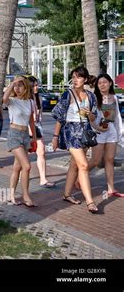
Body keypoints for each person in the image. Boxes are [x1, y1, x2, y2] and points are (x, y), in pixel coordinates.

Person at [51, 66, 99, 213]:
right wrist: (55, 137)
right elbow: (59, 117)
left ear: (85, 79)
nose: (75, 80)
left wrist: (89, 113)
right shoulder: (68, 94)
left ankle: (66, 194)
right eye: (73, 77)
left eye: (78, 77)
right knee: (84, 165)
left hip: (85, 132)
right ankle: (90, 202)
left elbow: (93, 117)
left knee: (74, 165)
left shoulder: (91, 96)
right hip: (71, 131)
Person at [71, 74, 123, 197]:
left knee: (109, 160)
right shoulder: (93, 98)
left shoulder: (114, 98)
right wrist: (97, 127)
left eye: (105, 82)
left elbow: (115, 118)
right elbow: (88, 117)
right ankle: (80, 175)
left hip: (111, 132)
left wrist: (119, 132)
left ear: (110, 83)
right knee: (95, 160)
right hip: (98, 132)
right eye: (100, 83)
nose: (102, 85)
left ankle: (111, 188)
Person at [3, 76, 37, 207]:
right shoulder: (12, 100)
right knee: (27, 166)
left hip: (25, 135)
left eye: (20, 85)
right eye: (15, 86)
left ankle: (11, 196)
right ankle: (26, 196)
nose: (17, 88)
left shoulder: (30, 102)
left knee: (17, 167)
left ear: (26, 87)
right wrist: (12, 83)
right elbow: (4, 99)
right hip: (14, 135)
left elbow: (31, 122)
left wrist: (34, 138)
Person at [28, 76, 55, 188]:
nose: (36, 87)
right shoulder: (25, 99)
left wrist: (39, 128)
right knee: (24, 156)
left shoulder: (38, 97)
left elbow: (40, 115)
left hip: (38, 128)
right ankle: (21, 175)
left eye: (37, 85)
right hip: (27, 128)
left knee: (41, 152)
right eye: (34, 85)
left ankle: (43, 179)